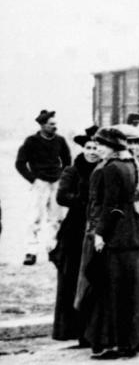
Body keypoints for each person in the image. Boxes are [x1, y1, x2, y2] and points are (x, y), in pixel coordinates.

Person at [83, 127, 139, 359]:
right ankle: (130, 343)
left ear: (112, 147)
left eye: (102, 144)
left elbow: (111, 205)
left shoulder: (110, 169)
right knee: (130, 292)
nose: (98, 148)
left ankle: (111, 343)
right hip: (132, 236)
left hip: (115, 238)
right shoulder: (130, 165)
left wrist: (101, 234)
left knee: (111, 292)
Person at [51, 126, 100, 344]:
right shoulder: (72, 170)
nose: (92, 151)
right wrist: (83, 200)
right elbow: (62, 197)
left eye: (96, 147)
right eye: (88, 147)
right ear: (83, 148)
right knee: (72, 278)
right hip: (75, 229)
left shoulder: (103, 169)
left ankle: (92, 330)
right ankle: (73, 329)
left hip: (95, 227)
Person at [15, 109, 71, 265]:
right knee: (34, 217)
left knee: (56, 218)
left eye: (55, 124)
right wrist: (33, 179)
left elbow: (67, 161)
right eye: (51, 124)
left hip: (56, 183)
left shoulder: (60, 141)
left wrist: (62, 177)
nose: (55, 127)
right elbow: (20, 163)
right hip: (40, 184)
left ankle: (54, 249)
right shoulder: (31, 141)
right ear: (42, 125)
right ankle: (30, 252)